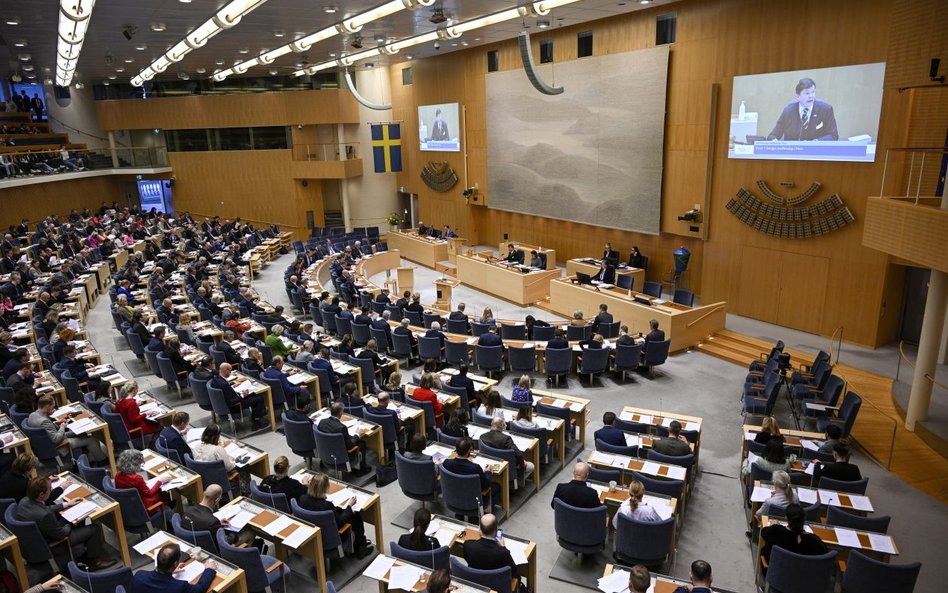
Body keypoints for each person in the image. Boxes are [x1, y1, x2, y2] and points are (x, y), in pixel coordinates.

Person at [16, 476, 117, 570]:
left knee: (75, 520)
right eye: (50, 489)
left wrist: (66, 504)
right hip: (54, 542)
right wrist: (72, 521)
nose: (51, 491)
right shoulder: (45, 516)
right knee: (95, 528)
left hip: (39, 538)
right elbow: (61, 534)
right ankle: (94, 562)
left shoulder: (24, 501)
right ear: (41, 494)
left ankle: (87, 551)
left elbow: (45, 508)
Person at [298, 472, 374, 558]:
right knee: (355, 517)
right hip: (331, 538)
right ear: (325, 489)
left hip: (314, 535)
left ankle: (361, 542)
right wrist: (349, 506)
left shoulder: (302, 499)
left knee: (344, 512)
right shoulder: (326, 506)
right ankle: (360, 548)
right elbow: (340, 523)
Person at [28, 395, 107, 463]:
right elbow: (56, 439)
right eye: (53, 406)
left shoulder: (33, 415)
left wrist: (57, 423)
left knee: (81, 432)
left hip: (46, 442)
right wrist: (62, 427)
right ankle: (102, 460)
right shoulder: (44, 421)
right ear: (47, 407)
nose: (54, 409)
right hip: (59, 445)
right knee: (91, 439)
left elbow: (45, 430)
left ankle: (88, 455)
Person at [184, 483, 257, 547]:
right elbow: (225, 542)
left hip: (194, 545)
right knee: (250, 532)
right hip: (215, 551)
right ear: (217, 500)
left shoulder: (187, 510)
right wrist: (233, 534)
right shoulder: (212, 522)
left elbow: (201, 524)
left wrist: (218, 524)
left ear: (204, 493)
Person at [767, 77, 838, 141]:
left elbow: (833, 135)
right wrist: (775, 141)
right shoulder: (788, 111)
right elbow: (772, 136)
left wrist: (817, 142)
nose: (811, 96)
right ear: (798, 97)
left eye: (813, 92)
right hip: (794, 152)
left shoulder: (826, 110)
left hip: (816, 152)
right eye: (807, 93)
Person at [130, 542, 217, 593]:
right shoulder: (179, 587)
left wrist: (170, 571)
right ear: (175, 563)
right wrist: (209, 570)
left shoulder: (139, 575)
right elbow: (200, 589)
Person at [462, 513, 519, 590]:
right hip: (497, 587)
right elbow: (513, 572)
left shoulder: (468, 545)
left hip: (476, 584)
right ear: (496, 529)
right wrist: (503, 547)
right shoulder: (503, 553)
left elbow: (466, 558)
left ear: (480, 530)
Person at [760, 502, 828, 565]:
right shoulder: (813, 540)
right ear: (804, 519)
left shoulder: (776, 530)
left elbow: (763, 533)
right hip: (802, 575)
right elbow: (825, 552)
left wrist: (773, 525)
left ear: (786, 518)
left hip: (776, 570)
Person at [442, 437, 499, 508]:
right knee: (496, 487)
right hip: (474, 499)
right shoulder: (475, 468)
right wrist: (488, 472)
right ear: (469, 450)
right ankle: (484, 511)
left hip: (454, 495)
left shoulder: (447, 463)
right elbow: (485, 485)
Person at [210, 363, 268, 429]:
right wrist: (243, 395)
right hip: (235, 405)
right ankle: (256, 422)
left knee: (253, 394)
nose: (231, 372)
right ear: (226, 370)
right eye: (230, 371)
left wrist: (232, 386)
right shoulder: (224, 385)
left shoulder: (216, 378)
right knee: (260, 399)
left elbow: (225, 391)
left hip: (226, 401)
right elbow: (231, 402)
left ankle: (255, 417)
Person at [317, 401, 369, 474]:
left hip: (326, 452)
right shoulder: (341, 428)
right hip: (341, 455)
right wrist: (357, 434)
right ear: (340, 413)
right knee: (362, 443)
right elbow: (350, 446)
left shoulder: (322, 422)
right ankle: (362, 469)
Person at [481, 417, 534, 485]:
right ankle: (515, 482)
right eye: (505, 424)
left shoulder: (482, 437)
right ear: (502, 426)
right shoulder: (506, 439)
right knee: (531, 466)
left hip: (490, 466)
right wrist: (523, 464)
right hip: (508, 468)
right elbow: (519, 455)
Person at [115, 449, 171, 513]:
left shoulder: (117, 475)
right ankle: (167, 510)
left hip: (130, 505)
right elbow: (149, 494)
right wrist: (160, 481)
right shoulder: (136, 478)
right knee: (162, 493)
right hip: (143, 507)